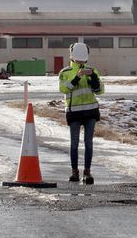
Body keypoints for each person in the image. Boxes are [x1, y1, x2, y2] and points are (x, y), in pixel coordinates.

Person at [58, 42, 104, 184]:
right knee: (74, 143)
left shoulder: (92, 70)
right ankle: (74, 172)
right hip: (74, 113)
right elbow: (64, 89)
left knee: (88, 143)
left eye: (82, 59)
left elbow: (100, 91)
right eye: (78, 59)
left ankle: (87, 172)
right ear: (72, 57)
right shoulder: (65, 72)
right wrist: (77, 77)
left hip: (90, 111)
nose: (80, 62)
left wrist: (94, 79)